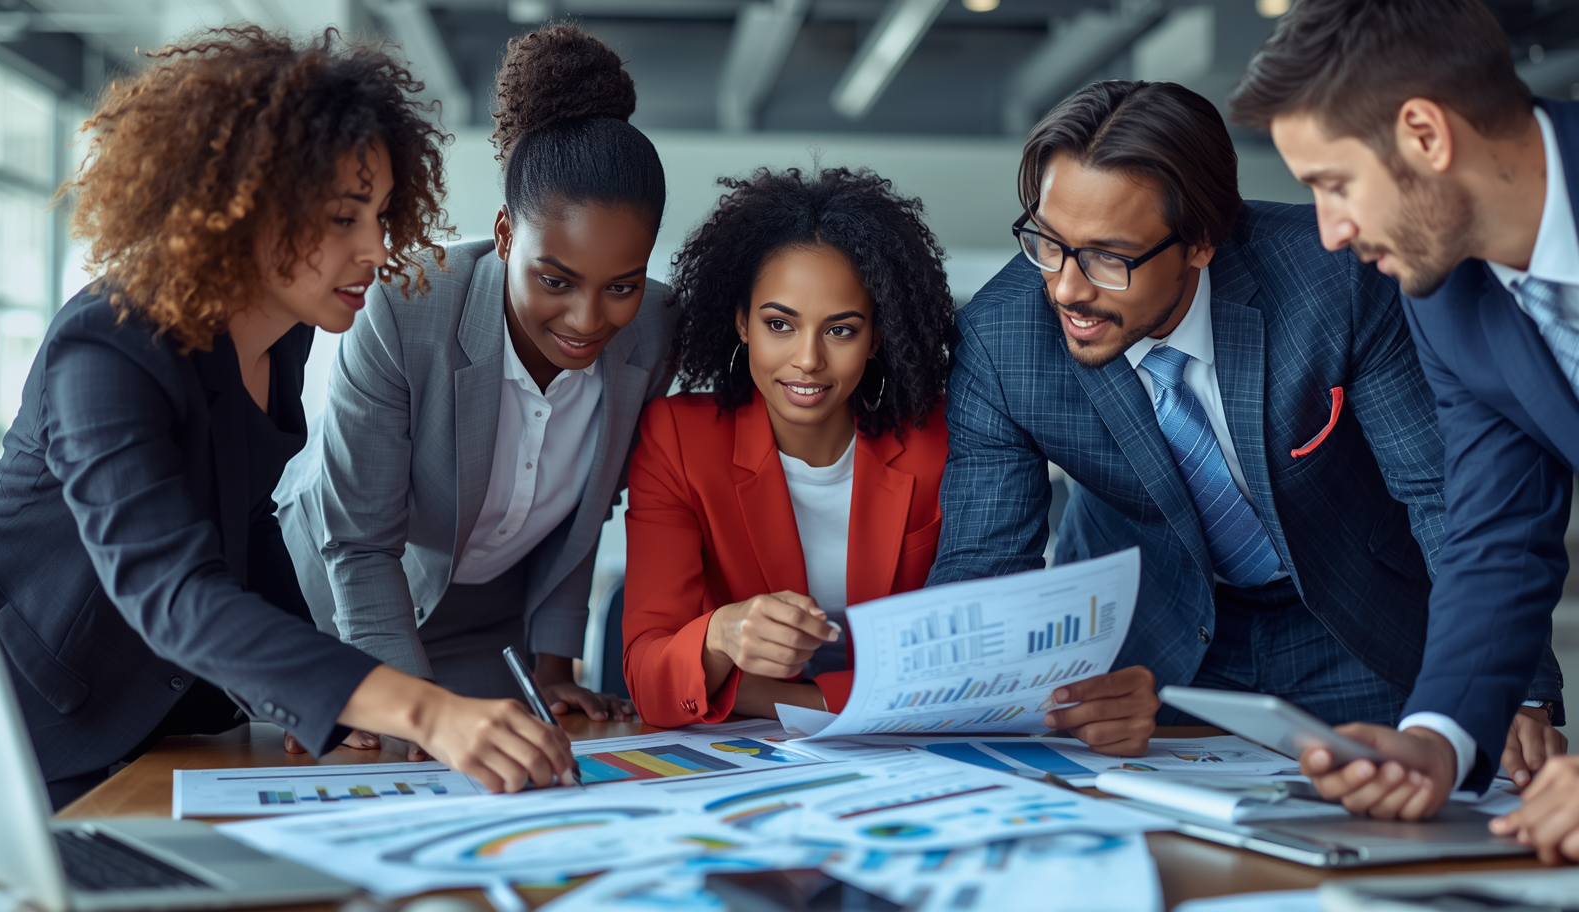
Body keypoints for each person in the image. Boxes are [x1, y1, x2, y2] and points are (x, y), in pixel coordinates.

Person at [0, 27, 575, 808]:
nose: (377, 250)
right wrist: (421, 707)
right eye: (343, 219)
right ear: (245, 207)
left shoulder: (284, 333)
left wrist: (320, 695)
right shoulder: (106, 345)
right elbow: (172, 591)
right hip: (28, 719)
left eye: (381, 215)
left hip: (170, 724)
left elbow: (249, 526)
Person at [927, 79, 1564, 761]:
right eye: (1049, 243)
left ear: (1201, 242)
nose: (1066, 288)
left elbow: (1443, 495)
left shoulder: (1335, 282)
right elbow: (984, 569)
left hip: (1352, 618)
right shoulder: (1001, 340)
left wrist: (1511, 687)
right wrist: (1025, 691)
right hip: (1148, 638)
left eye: (1110, 257)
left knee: (1392, 804)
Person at [1229, 0, 1573, 830]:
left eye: (1334, 184)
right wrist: (1436, 739)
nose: (1330, 231)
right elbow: (1496, 527)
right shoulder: (1443, 288)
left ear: (1424, 133)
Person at [277, 25, 668, 745]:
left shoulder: (655, 332)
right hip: (329, 605)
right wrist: (407, 709)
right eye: (556, 280)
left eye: (622, 285)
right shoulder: (406, 308)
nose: (589, 320)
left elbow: (590, 510)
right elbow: (359, 541)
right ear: (506, 235)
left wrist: (554, 667)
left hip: (487, 621)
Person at [622, 167, 954, 725]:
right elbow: (649, 680)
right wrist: (720, 636)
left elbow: (972, 657)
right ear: (742, 322)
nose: (807, 359)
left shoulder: (942, 439)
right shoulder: (678, 441)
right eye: (780, 324)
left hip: (908, 750)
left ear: (877, 337)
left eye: (841, 330)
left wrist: (781, 699)